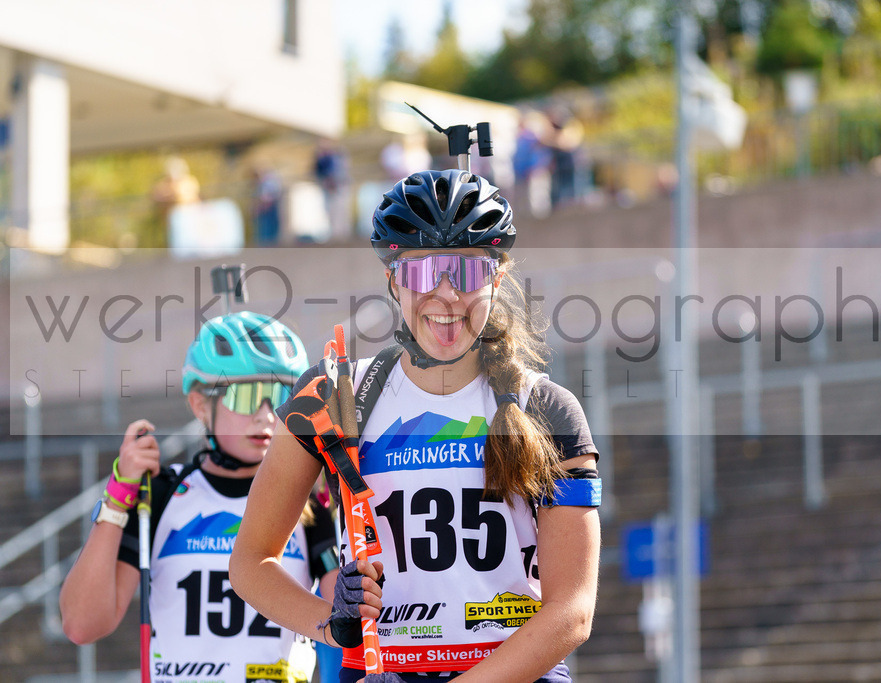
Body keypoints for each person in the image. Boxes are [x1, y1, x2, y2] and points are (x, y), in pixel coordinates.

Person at [230, 169, 602, 683]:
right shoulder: (333, 394)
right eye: (423, 272)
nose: (446, 296)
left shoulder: (546, 407)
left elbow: (572, 612)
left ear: (496, 280)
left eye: (467, 272)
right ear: (393, 281)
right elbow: (251, 562)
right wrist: (333, 625)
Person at [60, 312, 340, 683]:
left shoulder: (308, 504)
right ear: (199, 404)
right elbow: (82, 624)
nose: (266, 416)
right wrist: (117, 497)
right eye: (245, 395)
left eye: (279, 396)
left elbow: (346, 622)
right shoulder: (162, 494)